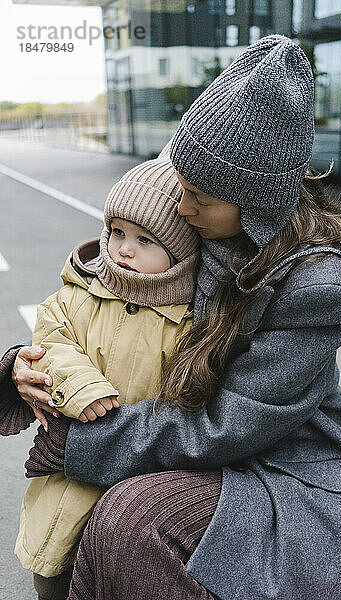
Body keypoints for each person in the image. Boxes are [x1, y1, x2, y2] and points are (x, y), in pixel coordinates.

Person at [0, 35, 341, 600]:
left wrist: (84, 444)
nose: (181, 208)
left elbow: (225, 427)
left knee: (134, 519)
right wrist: (20, 367)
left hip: (283, 470)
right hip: (204, 443)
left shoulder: (315, 290)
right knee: (90, 522)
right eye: (182, 185)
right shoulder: (199, 233)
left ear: (255, 199)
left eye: (201, 197)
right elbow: (99, 307)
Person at [6, 156, 200, 599]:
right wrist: (79, 387)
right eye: (117, 233)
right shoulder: (79, 293)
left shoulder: (188, 321)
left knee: (112, 560)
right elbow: (51, 342)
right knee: (52, 558)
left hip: (138, 463)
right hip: (69, 460)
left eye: (145, 240)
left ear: (181, 251)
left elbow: (194, 394)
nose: (124, 249)